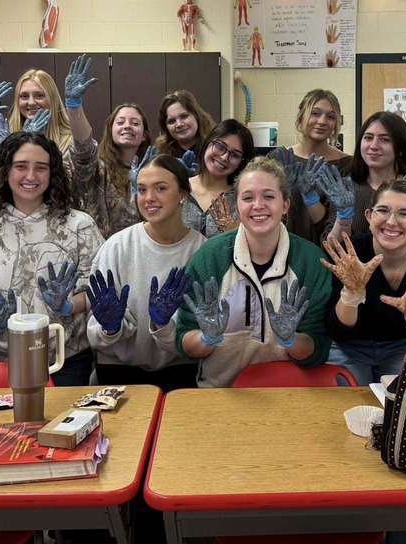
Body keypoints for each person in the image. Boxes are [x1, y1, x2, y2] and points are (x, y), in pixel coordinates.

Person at [175, 157, 331, 388]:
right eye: (247, 198)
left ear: (286, 204)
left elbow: (318, 348)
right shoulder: (210, 257)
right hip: (220, 391)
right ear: (237, 205)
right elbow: (184, 341)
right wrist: (206, 338)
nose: (258, 205)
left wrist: (291, 340)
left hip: (289, 390)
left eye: (269, 196)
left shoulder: (310, 262)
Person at [0, 131, 102, 386]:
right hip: (4, 363)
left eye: (41, 168)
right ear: (5, 172)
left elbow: (100, 288)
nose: (31, 176)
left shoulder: (79, 226)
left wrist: (68, 306)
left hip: (67, 361)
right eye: (20, 167)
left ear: (52, 174)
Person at [86, 155, 206, 391]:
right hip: (119, 369)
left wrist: (165, 327)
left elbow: (203, 332)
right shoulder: (117, 246)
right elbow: (96, 332)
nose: (149, 198)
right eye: (141, 190)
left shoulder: (200, 250)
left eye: (161, 188)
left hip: (180, 369)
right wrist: (111, 328)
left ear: (183, 194)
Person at [322, 180, 406, 385]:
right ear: (369, 216)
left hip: (404, 347)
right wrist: (351, 295)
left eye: (405, 213)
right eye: (383, 210)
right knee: (344, 402)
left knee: (405, 403)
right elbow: (337, 331)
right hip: (350, 348)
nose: (391, 221)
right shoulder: (351, 255)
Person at [64, 54, 151, 238]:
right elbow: (83, 147)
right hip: (99, 254)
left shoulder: (151, 170)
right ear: (110, 130)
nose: (127, 125)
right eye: (120, 122)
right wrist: (74, 106)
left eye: (135, 123)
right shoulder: (98, 167)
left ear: (144, 135)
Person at [317, 111, 406, 242]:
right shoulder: (345, 188)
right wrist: (343, 221)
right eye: (368, 137)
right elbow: (331, 247)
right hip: (351, 262)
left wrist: (403, 198)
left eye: (385, 139)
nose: (373, 146)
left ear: (400, 148)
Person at [268, 89, 351, 245]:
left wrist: (311, 199)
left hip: (322, 251)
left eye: (330, 116)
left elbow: (335, 225)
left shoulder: (346, 165)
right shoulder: (279, 159)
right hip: (277, 249)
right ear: (301, 117)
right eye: (315, 113)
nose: (322, 121)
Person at [183, 119, 253, 238]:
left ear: (242, 163)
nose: (224, 157)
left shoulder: (243, 199)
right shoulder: (179, 188)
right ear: (208, 142)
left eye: (235, 155)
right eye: (220, 146)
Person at [155, 89, 215, 161]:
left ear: (196, 116)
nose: (179, 124)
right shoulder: (160, 153)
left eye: (184, 116)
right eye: (172, 121)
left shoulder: (215, 147)